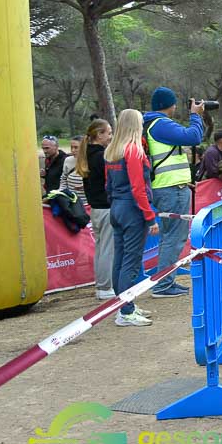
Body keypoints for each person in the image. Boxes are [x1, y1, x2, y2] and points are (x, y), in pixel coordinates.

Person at [143, 87, 205, 298]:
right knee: (174, 237)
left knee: (168, 237)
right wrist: (195, 115)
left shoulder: (151, 124)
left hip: (167, 186)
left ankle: (164, 281)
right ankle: (163, 285)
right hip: (171, 188)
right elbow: (194, 137)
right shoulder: (160, 124)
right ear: (170, 105)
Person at [104, 109, 158, 327]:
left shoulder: (111, 151)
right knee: (131, 262)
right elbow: (138, 188)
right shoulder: (133, 150)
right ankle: (126, 310)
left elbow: (108, 185)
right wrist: (150, 217)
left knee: (119, 260)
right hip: (132, 210)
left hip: (117, 208)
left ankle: (124, 306)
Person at [79, 119, 115, 300]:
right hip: (105, 208)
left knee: (101, 249)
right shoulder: (101, 157)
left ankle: (103, 285)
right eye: (108, 133)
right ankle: (105, 286)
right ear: (99, 135)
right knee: (107, 249)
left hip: (96, 209)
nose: (110, 136)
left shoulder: (88, 155)